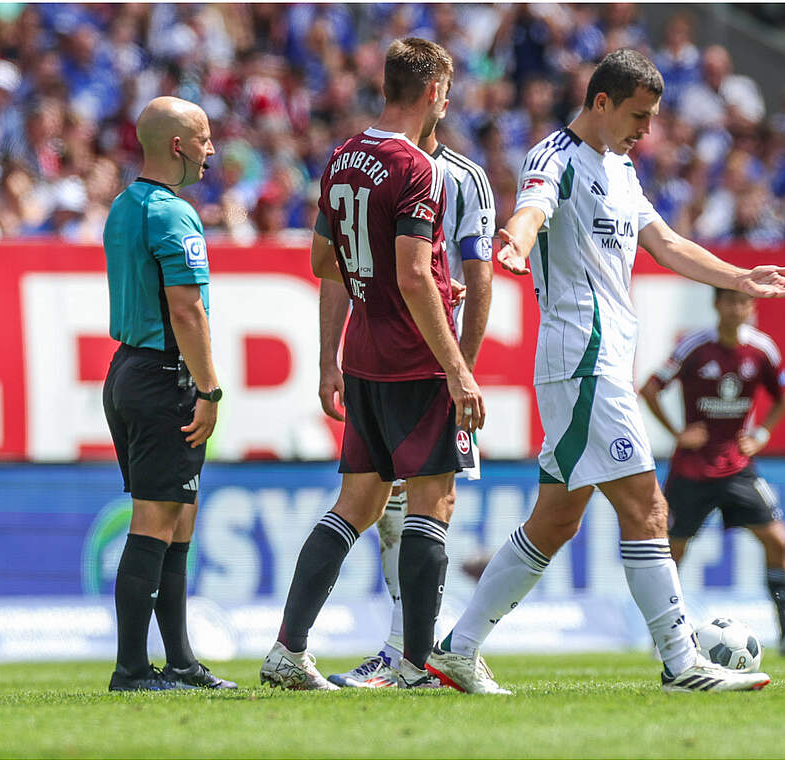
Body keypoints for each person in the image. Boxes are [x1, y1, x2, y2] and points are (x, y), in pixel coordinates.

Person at [428, 49, 785, 695]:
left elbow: (667, 243)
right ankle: (683, 664)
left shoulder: (621, 168)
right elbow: (534, 207)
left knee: (556, 520)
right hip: (583, 363)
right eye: (638, 115)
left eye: (652, 118)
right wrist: (514, 241)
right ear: (601, 102)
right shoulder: (554, 159)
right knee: (648, 507)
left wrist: (741, 276)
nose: (646, 130)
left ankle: (457, 650)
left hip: (597, 367)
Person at [260, 38, 482, 691]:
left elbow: (324, 262)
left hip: (362, 355)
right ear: (434, 90)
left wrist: (334, 351)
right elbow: (415, 274)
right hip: (414, 359)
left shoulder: (342, 156)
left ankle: (288, 650)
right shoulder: (417, 166)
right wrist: (458, 367)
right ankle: (415, 664)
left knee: (355, 503)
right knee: (432, 503)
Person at [321, 97, 497, 691]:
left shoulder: (463, 177)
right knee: (390, 505)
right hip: (388, 360)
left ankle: (417, 653)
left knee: (426, 503)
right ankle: (405, 654)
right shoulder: (380, 165)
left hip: (435, 367)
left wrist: (461, 368)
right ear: (435, 96)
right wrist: (331, 354)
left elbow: (479, 279)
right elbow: (340, 269)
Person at [101, 95, 234, 691]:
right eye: (204, 138)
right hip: (163, 377)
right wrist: (209, 389)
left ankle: (179, 661)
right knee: (156, 520)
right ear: (178, 145)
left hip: (127, 370)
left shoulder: (123, 207)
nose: (212, 149)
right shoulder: (173, 215)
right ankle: (132, 669)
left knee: (178, 519)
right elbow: (187, 309)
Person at [638, 288, 785, 656]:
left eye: (745, 302)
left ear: (752, 308)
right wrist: (678, 433)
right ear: (717, 305)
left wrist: (762, 435)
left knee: (778, 541)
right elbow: (649, 388)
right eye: (731, 301)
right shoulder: (694, 347)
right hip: (692, 468)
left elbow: (784, 394)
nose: (738, 308)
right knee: (672, 551)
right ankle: (665, 636)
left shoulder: (762, 349)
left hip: (738, 466)